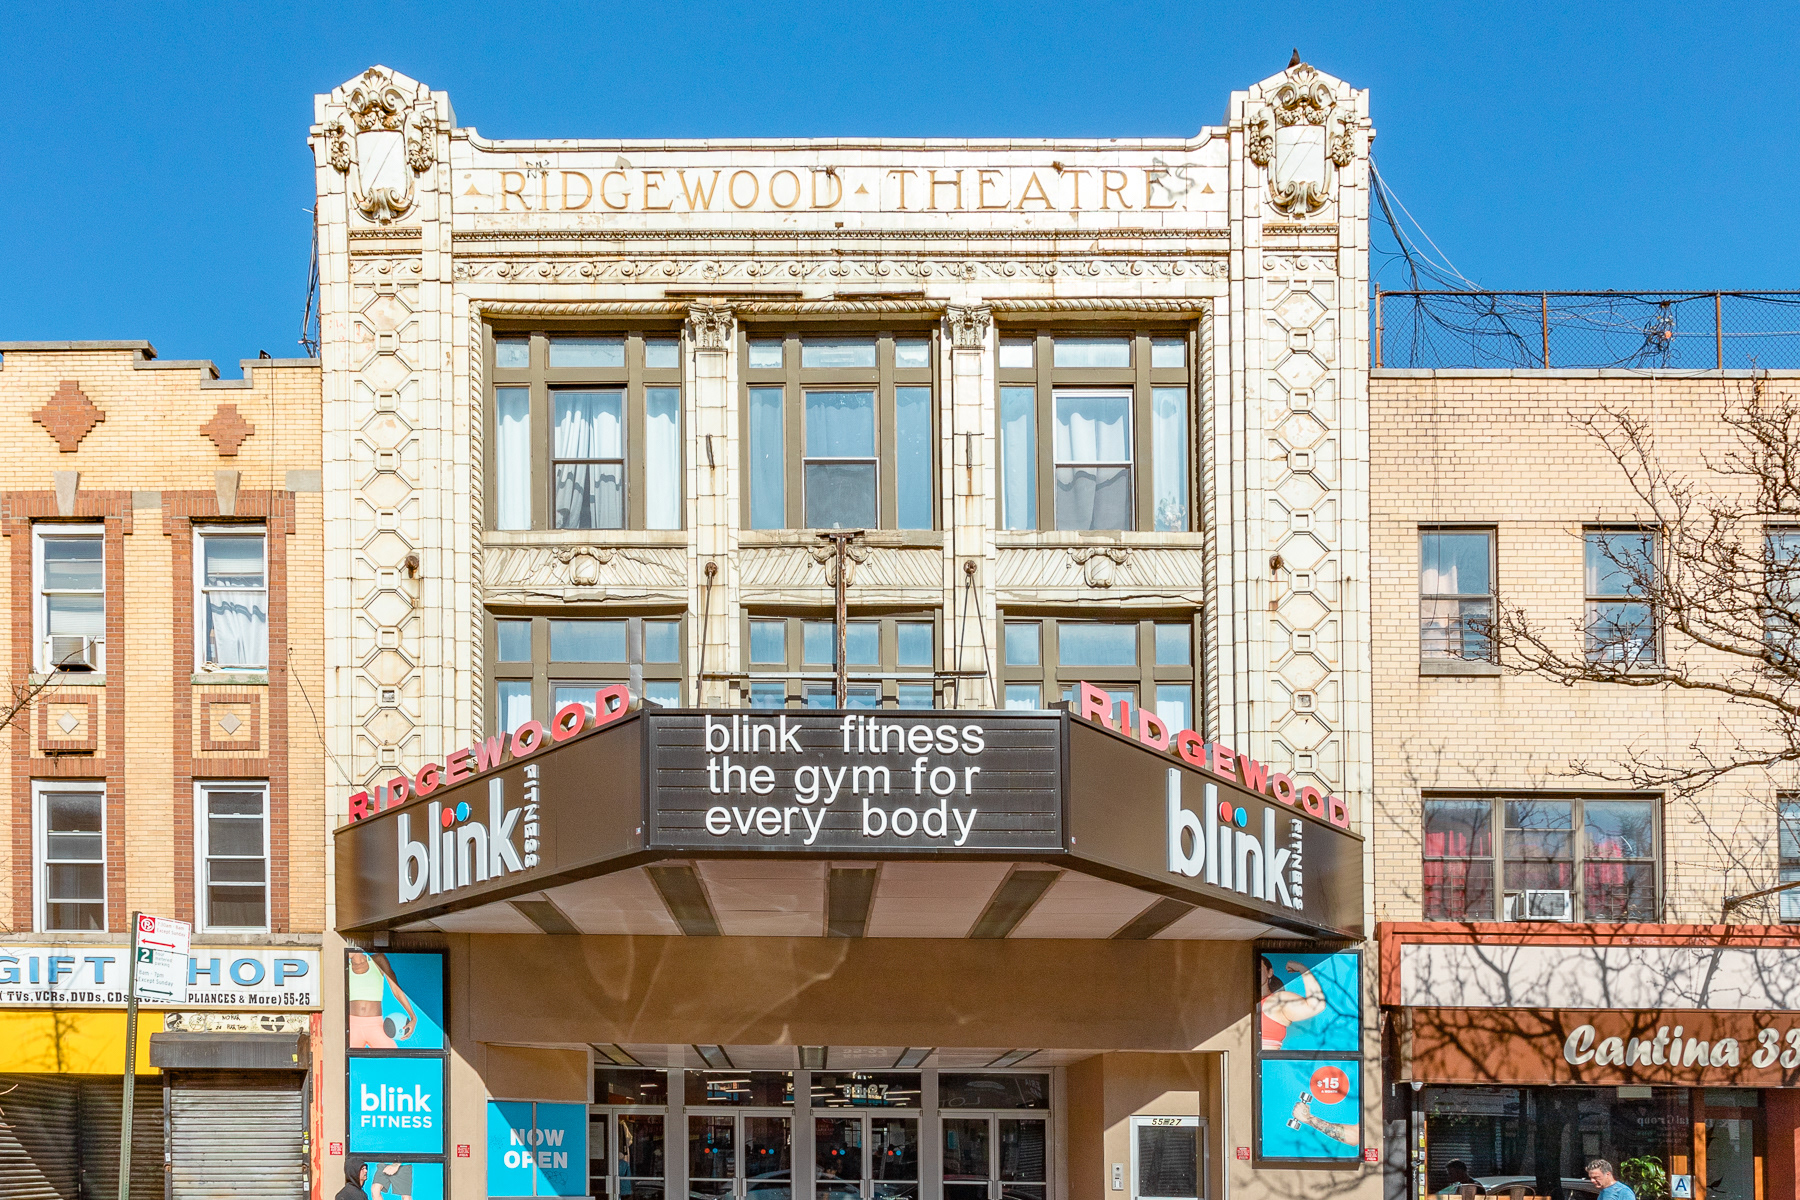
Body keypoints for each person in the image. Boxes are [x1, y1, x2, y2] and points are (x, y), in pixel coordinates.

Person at [348, 950, 416, 1048]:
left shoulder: (378, 960)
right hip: (352, 1027)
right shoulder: (342, 965)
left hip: (375, 1026)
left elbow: (396, 990)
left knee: (395, 1059)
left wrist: (413, 1018)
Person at [1260, 958, 1330, 1050]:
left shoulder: (1276, 1001)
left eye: (1259, 968)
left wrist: (1303, 969)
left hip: (1262, 1062)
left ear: (1269, 972)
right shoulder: (1238, 1002)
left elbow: (1316, 1005)